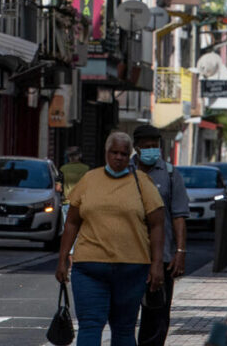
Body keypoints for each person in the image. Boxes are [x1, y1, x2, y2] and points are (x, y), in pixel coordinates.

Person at [55, 131, 165, 346]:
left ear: (130, 155)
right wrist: (62, 258)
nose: (119, 157)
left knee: (124, 329)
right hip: (89, 268)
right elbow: (72, 222)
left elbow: (157, 224)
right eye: (114, 152)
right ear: (106, 153)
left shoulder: (142, 182)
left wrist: (157, 264)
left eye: (124, 154)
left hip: (131, 269)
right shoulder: (89, 179)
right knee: (90, 325)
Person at [132, 124, 190, 346]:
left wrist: (180, 252)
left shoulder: (169, 174)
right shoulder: (125, 171)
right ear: (136, 147)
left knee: (156, 318)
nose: (150, 150)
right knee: (124, 316)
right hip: (128, 256)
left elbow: (179, 216)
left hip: (162, 259)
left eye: (154, 146)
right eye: (146, 146)